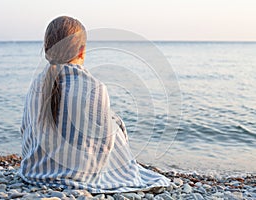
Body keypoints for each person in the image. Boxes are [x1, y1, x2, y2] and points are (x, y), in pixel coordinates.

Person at [19, 16, 170, 193]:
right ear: (82, 51)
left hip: (33, 172)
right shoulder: (94, 87)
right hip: (81, 176)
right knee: (114, 124)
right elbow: (103, 147)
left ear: (46, 49)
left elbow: (24, 130)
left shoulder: (36, 83)